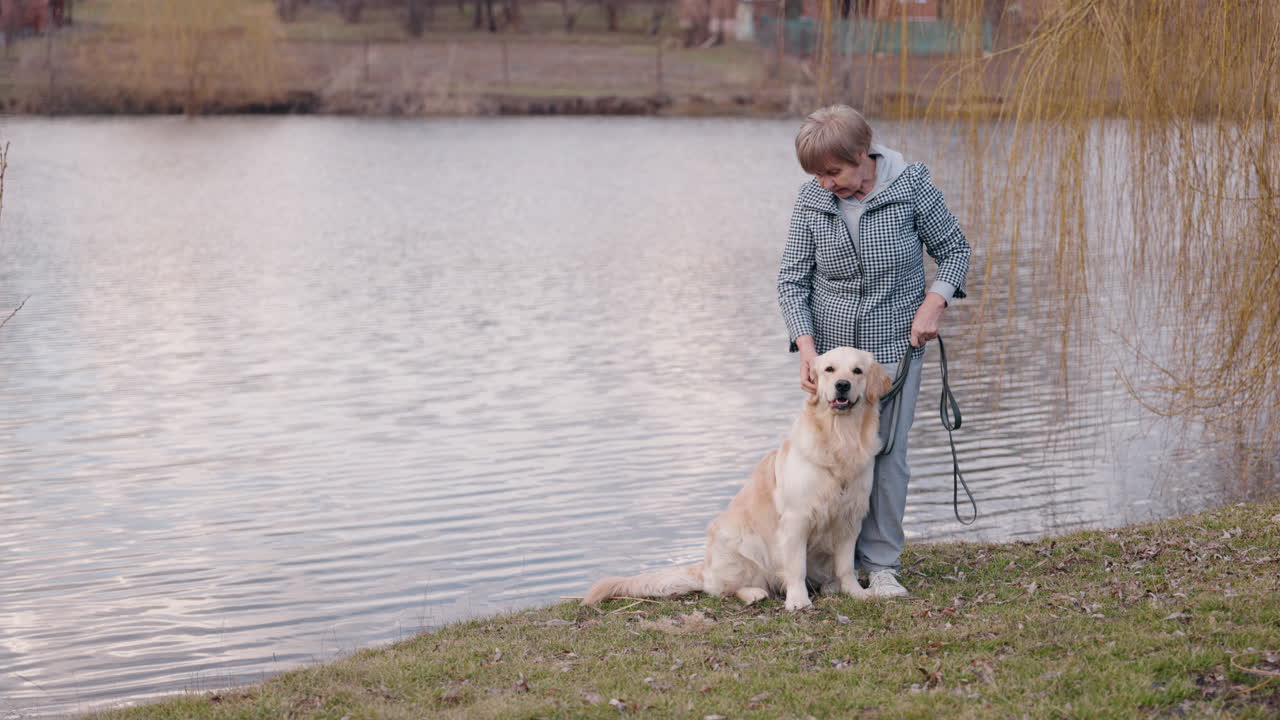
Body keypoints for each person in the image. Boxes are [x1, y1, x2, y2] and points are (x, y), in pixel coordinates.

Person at [777, 105, 971, 598]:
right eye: (817, 175)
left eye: (833, 171)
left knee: (884, 452)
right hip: (831, 359)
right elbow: (792, 280)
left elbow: (954, 249)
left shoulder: (910, 186)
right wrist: (806, 350)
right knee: (822, 454)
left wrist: (932, 307)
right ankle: (828, 565)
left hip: (892, 352)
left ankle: (881, 565)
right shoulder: (811, 201)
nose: (825, 183)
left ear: (862, 155)